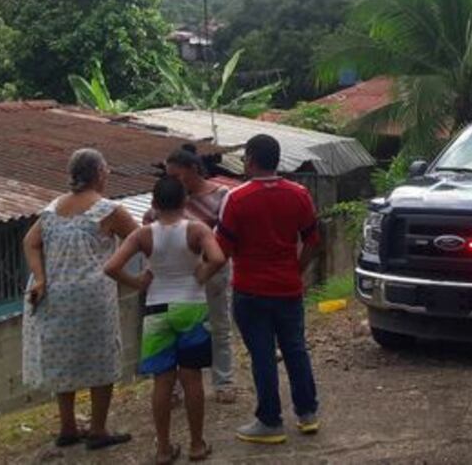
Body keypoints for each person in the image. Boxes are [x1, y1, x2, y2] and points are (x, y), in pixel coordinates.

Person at [22, 148, 139, 451]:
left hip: (56, 296)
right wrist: (130, 275)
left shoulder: (52, 208)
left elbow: (30, 243)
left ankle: (68, 427)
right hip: (93, 296)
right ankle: (98, 429)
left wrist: (40, 277)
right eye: (106, 171)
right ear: (99, 174)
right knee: (101, 357)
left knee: (64, 359)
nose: (108, 175)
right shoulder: (108, 209)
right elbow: (140, 239)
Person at [105, 176, 226, 464]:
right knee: (192, 378)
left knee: (162, 381)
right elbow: (219, 258)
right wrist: (202, 275)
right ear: (185, 201)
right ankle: (197, 445)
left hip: (157, 308)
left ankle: (163, 449)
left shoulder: (143, 235)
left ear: (154, 204)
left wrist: (138, 282)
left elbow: (111, 267)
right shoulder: (196, 229)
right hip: (192, 307)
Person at [217, 134, 321, 444]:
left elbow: (222, 248)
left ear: (249, 160)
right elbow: (314, 241)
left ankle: (270, 420)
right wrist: (296, 269)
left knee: (262, 354)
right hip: (288, 287)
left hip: (250, 290)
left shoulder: (236, 199)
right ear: (277, 160)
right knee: (295, 349)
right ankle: (307, 414)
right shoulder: (300, 194)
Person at [143, 145, 237, 404]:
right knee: (175, 331)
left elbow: (227, 237)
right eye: (169, 176)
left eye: (177, 175)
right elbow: (149, 228)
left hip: (212, 271)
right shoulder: (165, 202)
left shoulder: (221, 195)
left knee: (219, 326)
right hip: (179, 278)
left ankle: (223, 381)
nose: (172, 181)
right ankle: (172, 388)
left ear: (194, 170)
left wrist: (205, 270)